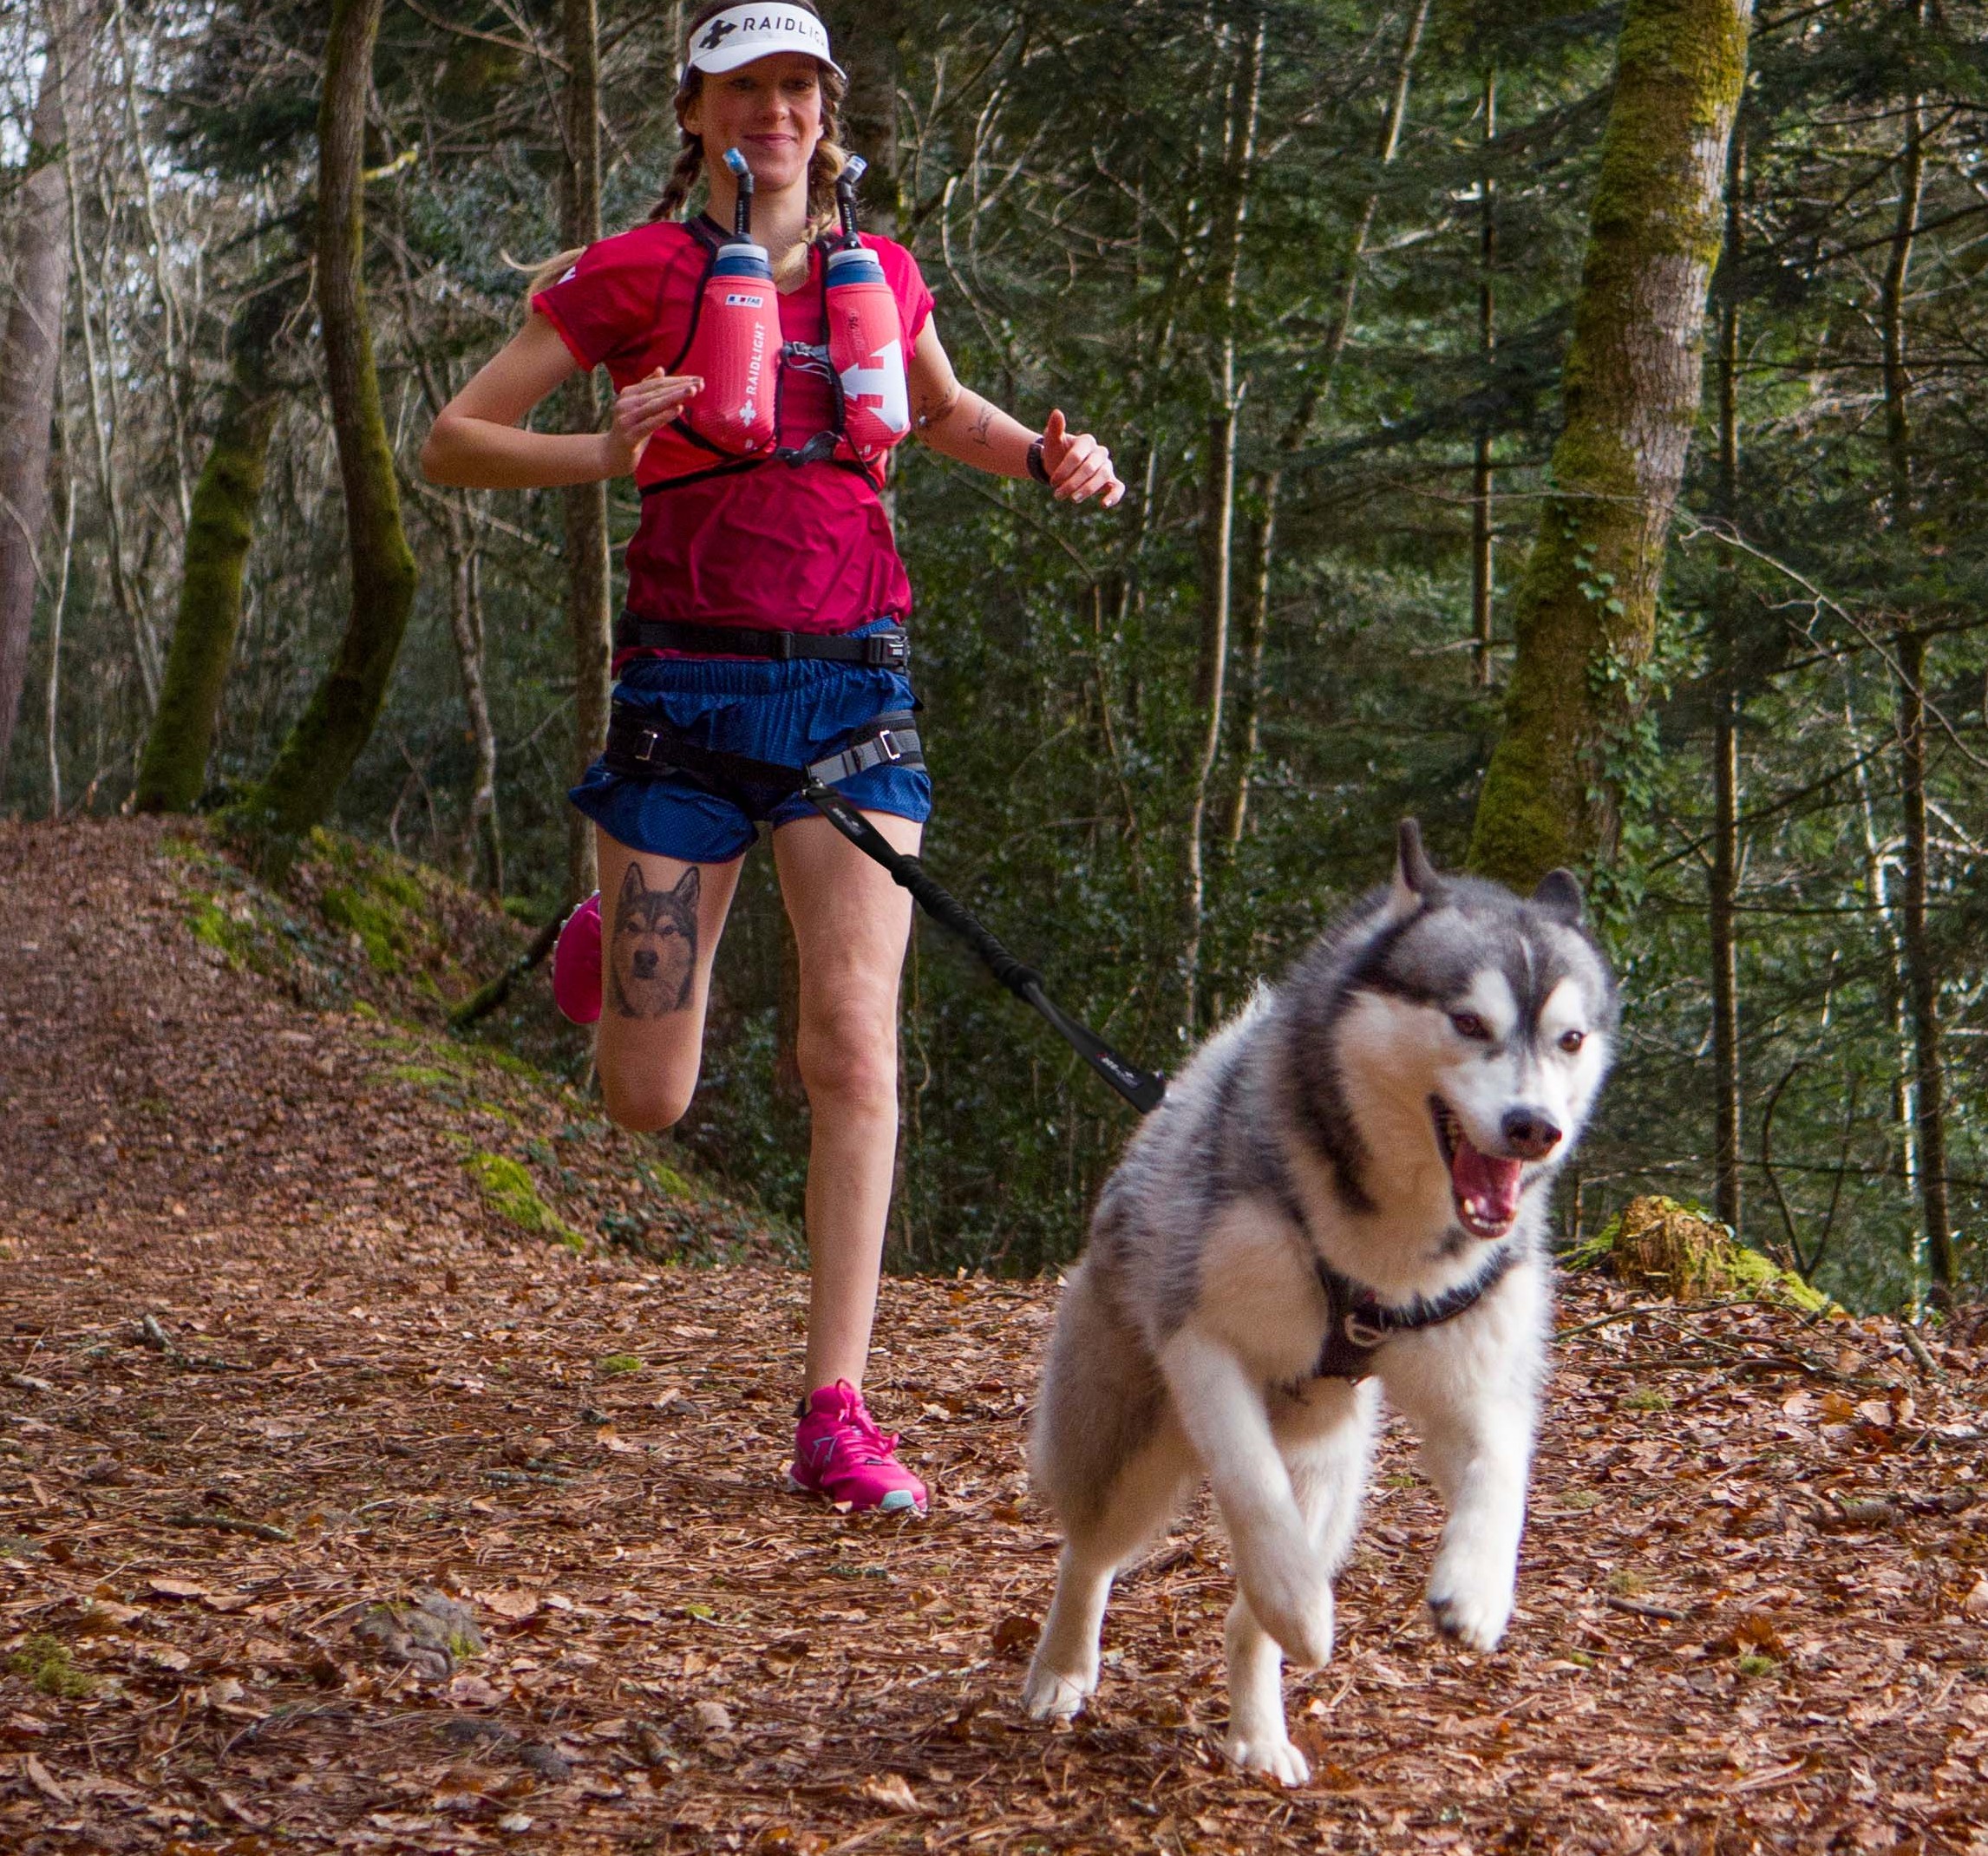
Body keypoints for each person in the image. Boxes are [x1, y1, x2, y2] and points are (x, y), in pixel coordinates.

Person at [421, 0, 1123, 1517]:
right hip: (681, 704)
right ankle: (609, 934)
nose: (777, 113)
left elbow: (937, 414)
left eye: (800, 88)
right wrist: (605, 454)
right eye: (747, 89)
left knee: (849, 1047)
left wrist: (1049, 457)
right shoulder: (638, 275)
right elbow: (453, 439)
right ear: (696, 112)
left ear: (829, 108)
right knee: (646, 1102)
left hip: (853, 698)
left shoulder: (881, 275)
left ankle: (838, 1409)